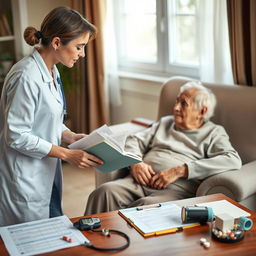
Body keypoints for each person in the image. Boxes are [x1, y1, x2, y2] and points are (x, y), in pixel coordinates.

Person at [0, 7, 104, 226]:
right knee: (29, 240)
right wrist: (66, 154)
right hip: (25, 177)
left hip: (46, 172)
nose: (82, 54)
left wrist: (68, 136)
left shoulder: (52, 70)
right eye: (79, 47)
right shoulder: (25, 77)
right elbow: (16, 135)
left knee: (51, 231)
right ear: (57, 43)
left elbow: (47, 120)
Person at [85, 81, 242, 215]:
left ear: (202, 111)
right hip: (138, 182)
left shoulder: (213, 132)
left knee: (145, 208)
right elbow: (134, 140)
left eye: (184, 104)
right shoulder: (166, 122)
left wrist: (180, 170)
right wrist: (136, 163)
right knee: (103, 192)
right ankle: (88, 243)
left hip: (175, 190)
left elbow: (232, 160)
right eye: (177, 101)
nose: (176, 108)